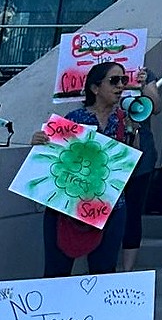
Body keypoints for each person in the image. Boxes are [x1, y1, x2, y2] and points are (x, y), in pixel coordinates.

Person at [31, 62, 143, 278]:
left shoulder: (124, 120)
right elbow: (54, 159)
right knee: (56, 271)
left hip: (110, 207)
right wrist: (39, 142)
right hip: (67, 207)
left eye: (123, 80)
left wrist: (133, 133)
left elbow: (133, 166)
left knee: (103, 272)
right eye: (113, 81)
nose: (120, 86)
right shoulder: (74, 119)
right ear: (95, 88)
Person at [118, 66, 161, 272]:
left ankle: (126, 272)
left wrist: (144, 86)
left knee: (133, 212)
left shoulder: (142, 72)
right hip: (106, 155)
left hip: (140, 157)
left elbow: (156, 107)